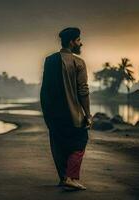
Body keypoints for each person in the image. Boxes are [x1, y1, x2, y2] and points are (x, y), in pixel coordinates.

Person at [40, 27, 92, 190]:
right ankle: (70, 177)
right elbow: (83, 90)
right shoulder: (78, 62)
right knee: (80, 141)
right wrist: (88, 114)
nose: (80, 43)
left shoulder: (50, 60)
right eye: (78, 40)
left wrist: (46, 113)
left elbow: (45, 89)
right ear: (71, 42)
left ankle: (63, 177)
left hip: (53, 113)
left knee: (58, 144)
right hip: (73, 113)